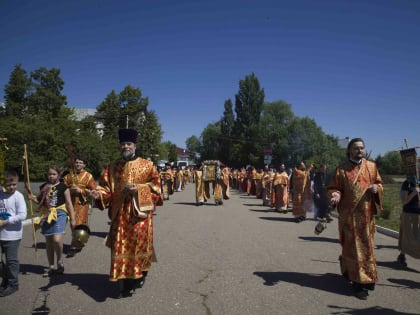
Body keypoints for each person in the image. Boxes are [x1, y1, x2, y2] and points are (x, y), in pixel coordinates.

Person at [90, 129, 163, 298]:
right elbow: (106, 189)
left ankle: (139, 275)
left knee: (138, 246)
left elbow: (157, 189)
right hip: (119, 215)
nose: (125, 146)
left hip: (139, 215)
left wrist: (139, 189)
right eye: (123, 144)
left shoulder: (147, 165)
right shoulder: (112, 167)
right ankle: (123, 282)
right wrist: (98, 194)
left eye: (129, 144)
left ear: (135, 146)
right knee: (119, 247)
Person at [328, 138, 383, 300]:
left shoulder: (371, 167)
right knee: (352, 249)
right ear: (350, 151)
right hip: (349, 217)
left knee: (366, 250)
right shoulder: (341, 169)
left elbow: (379, 183)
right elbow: (333, 187)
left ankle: (365, 281)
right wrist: (336, 194)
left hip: (366, 217)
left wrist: (376, 188)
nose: (360, 150)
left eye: (362, 148)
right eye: (356, 148)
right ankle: (357, 282)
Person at [30, 166, 76, 277]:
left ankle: (59, 261)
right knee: (49, 241)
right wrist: (32, 198)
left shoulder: (63, 187)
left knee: (56, 239)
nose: (51, 176)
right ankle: (51, 266)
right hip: (47, 214)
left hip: (60, 213)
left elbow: (69, 203)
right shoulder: (44, 187)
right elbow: (40, 201)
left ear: (59, 175)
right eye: (49, 174)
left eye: (54, 174)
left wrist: (73, 219)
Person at [0, 169, 27, 297]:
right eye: (8, 185)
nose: (12, 187)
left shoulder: (18, 196)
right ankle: (6, 277)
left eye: (14, 184)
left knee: (11, 261)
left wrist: (6, 222)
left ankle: (13, 283)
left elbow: (22, 215)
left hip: (12, 235)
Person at [63, 156, 96, 257]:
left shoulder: (88, 176)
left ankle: (73, 247)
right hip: (69, 203)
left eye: (80, 163)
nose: (78, 164)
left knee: (77, 224)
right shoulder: (68, 176)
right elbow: (62, 188)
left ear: (84, 165)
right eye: (76, 162)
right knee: (72, 224)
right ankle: (80, 240)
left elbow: (93, 191)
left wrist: (80, 191)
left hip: (82, 204)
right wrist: (69, 190)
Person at [396, 174, 420, 267]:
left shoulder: (419, 183)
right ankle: (402, 256)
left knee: (417, 237)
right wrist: (414, 193)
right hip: (409, 214)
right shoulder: (407, 183)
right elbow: (404, 201)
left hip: (418, 215)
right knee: (407, 236)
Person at [313, 163, 333, 235]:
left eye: (325, 168)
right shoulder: (317, 176)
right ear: (320, 168)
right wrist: (316, 193)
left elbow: (330, 184)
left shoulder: (328, 175)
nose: (324, 169)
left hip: (326, 192)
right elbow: (314, 185)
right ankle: (321, 216)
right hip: (319, 192)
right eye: (323, 168)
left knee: (327, 204)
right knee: (320, 205)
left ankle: (326, 216)